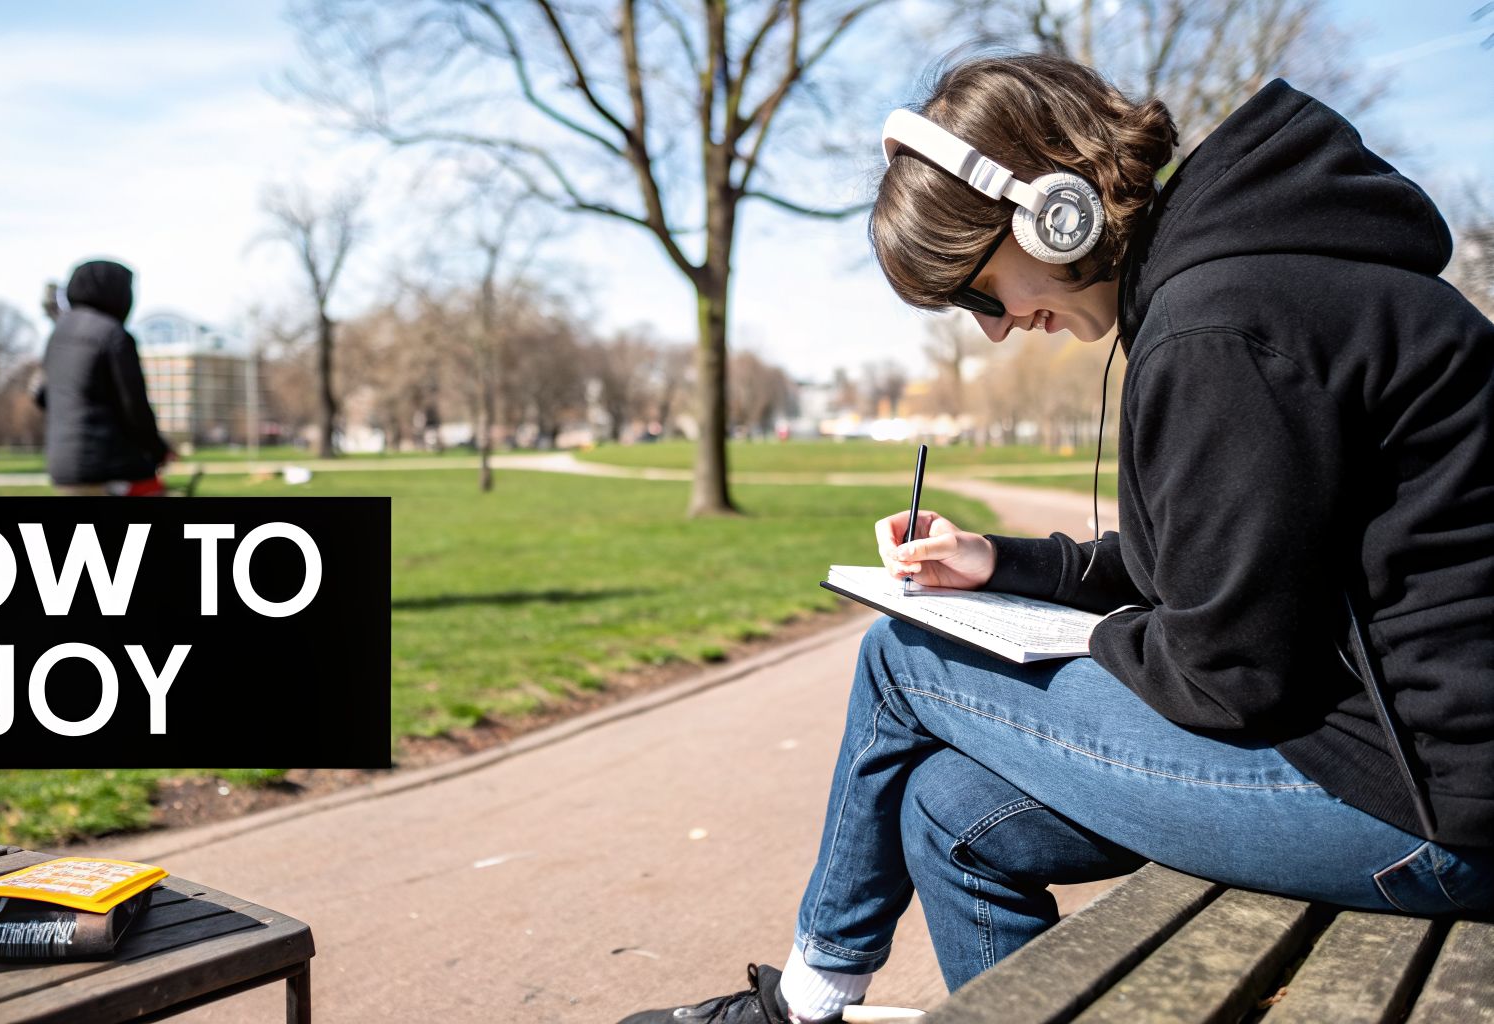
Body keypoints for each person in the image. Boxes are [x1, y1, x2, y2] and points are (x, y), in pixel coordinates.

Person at [620, 53, 1494, 1024]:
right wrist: (1001, 566)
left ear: (1053, 210)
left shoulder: (1217, 328)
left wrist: (1072, 638)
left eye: (978, 293)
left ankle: (805, 1001)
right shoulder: (1242, 278)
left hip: (1425, 808)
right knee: (947, 807)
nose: (993, 330)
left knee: (904, 654)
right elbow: (1197, 573)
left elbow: (1223, 672)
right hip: (1399, 766)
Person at [37, 259, 171, 496]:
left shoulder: (56, 335)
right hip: (110, 466)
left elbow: (43, 395)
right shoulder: (112, 334)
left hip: (63, 468)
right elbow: (134, 406)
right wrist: (159, 450)